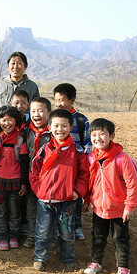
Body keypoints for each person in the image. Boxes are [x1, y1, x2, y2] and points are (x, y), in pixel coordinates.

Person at [30, 109, 89, 271]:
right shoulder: (44, 149)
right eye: (56, 125)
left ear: (71, 127)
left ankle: (68, 257)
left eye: (64, 126)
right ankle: (40, 257)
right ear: (49, 127)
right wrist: (38, 190)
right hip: (45, 201)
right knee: (42, 232)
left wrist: (77, 192)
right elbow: (34, 171)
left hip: (67, 202)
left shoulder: (77, 152)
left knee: (67, 233)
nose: (60, 129)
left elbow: (84, 175)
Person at [82, 118, 137, 274]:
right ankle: (96, 262)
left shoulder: (122, 158)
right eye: (94, 134)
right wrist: (87, 201)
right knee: (97, 236)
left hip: (119, 209)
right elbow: (90, 182)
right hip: (99, 208)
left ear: (112, 136)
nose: (97, 138)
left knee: (120, 238)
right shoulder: (91, 158)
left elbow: (133, 184)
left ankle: (123, 267)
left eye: (102, 134)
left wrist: (129, 207)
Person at [53, 83, 92, 240]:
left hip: (76, 165)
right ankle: (58, 226)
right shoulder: (54, 118)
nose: (59, 104)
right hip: (59, 165)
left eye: (62, 100)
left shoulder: (81, 119)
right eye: (56, 100)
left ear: (72, 100)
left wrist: (84, 164)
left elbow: (88, 143)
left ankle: (77, 226)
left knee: (76, 196)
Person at [0, 106, 28, 251]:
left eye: (10, 119)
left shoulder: (20, 141)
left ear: (16, 121)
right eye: (4, 120)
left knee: (15, 212)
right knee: (1, 211)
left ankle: (13, 236)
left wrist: (24, 183)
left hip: (16, 183)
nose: (7, 123)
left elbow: (24, 164)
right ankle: (2, 237)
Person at [22, 97, 52, 248]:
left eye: (41, 111)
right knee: (31, 210)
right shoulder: (27, 132)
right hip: (31, 179)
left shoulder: (54, 133)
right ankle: (32, 236)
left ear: (49, 113)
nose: (36, 114)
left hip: (48, 181)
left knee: (48, 212)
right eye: (33, 111)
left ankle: (48, 239)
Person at [0, 52, 40, 117]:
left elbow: (37, 107)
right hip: (4, 124)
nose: (15, 67)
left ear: (25, 66)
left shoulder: (32, 86)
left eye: (19, 64)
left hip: (26, 125)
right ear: (8, 66)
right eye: (13, 63)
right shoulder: (0, 85)